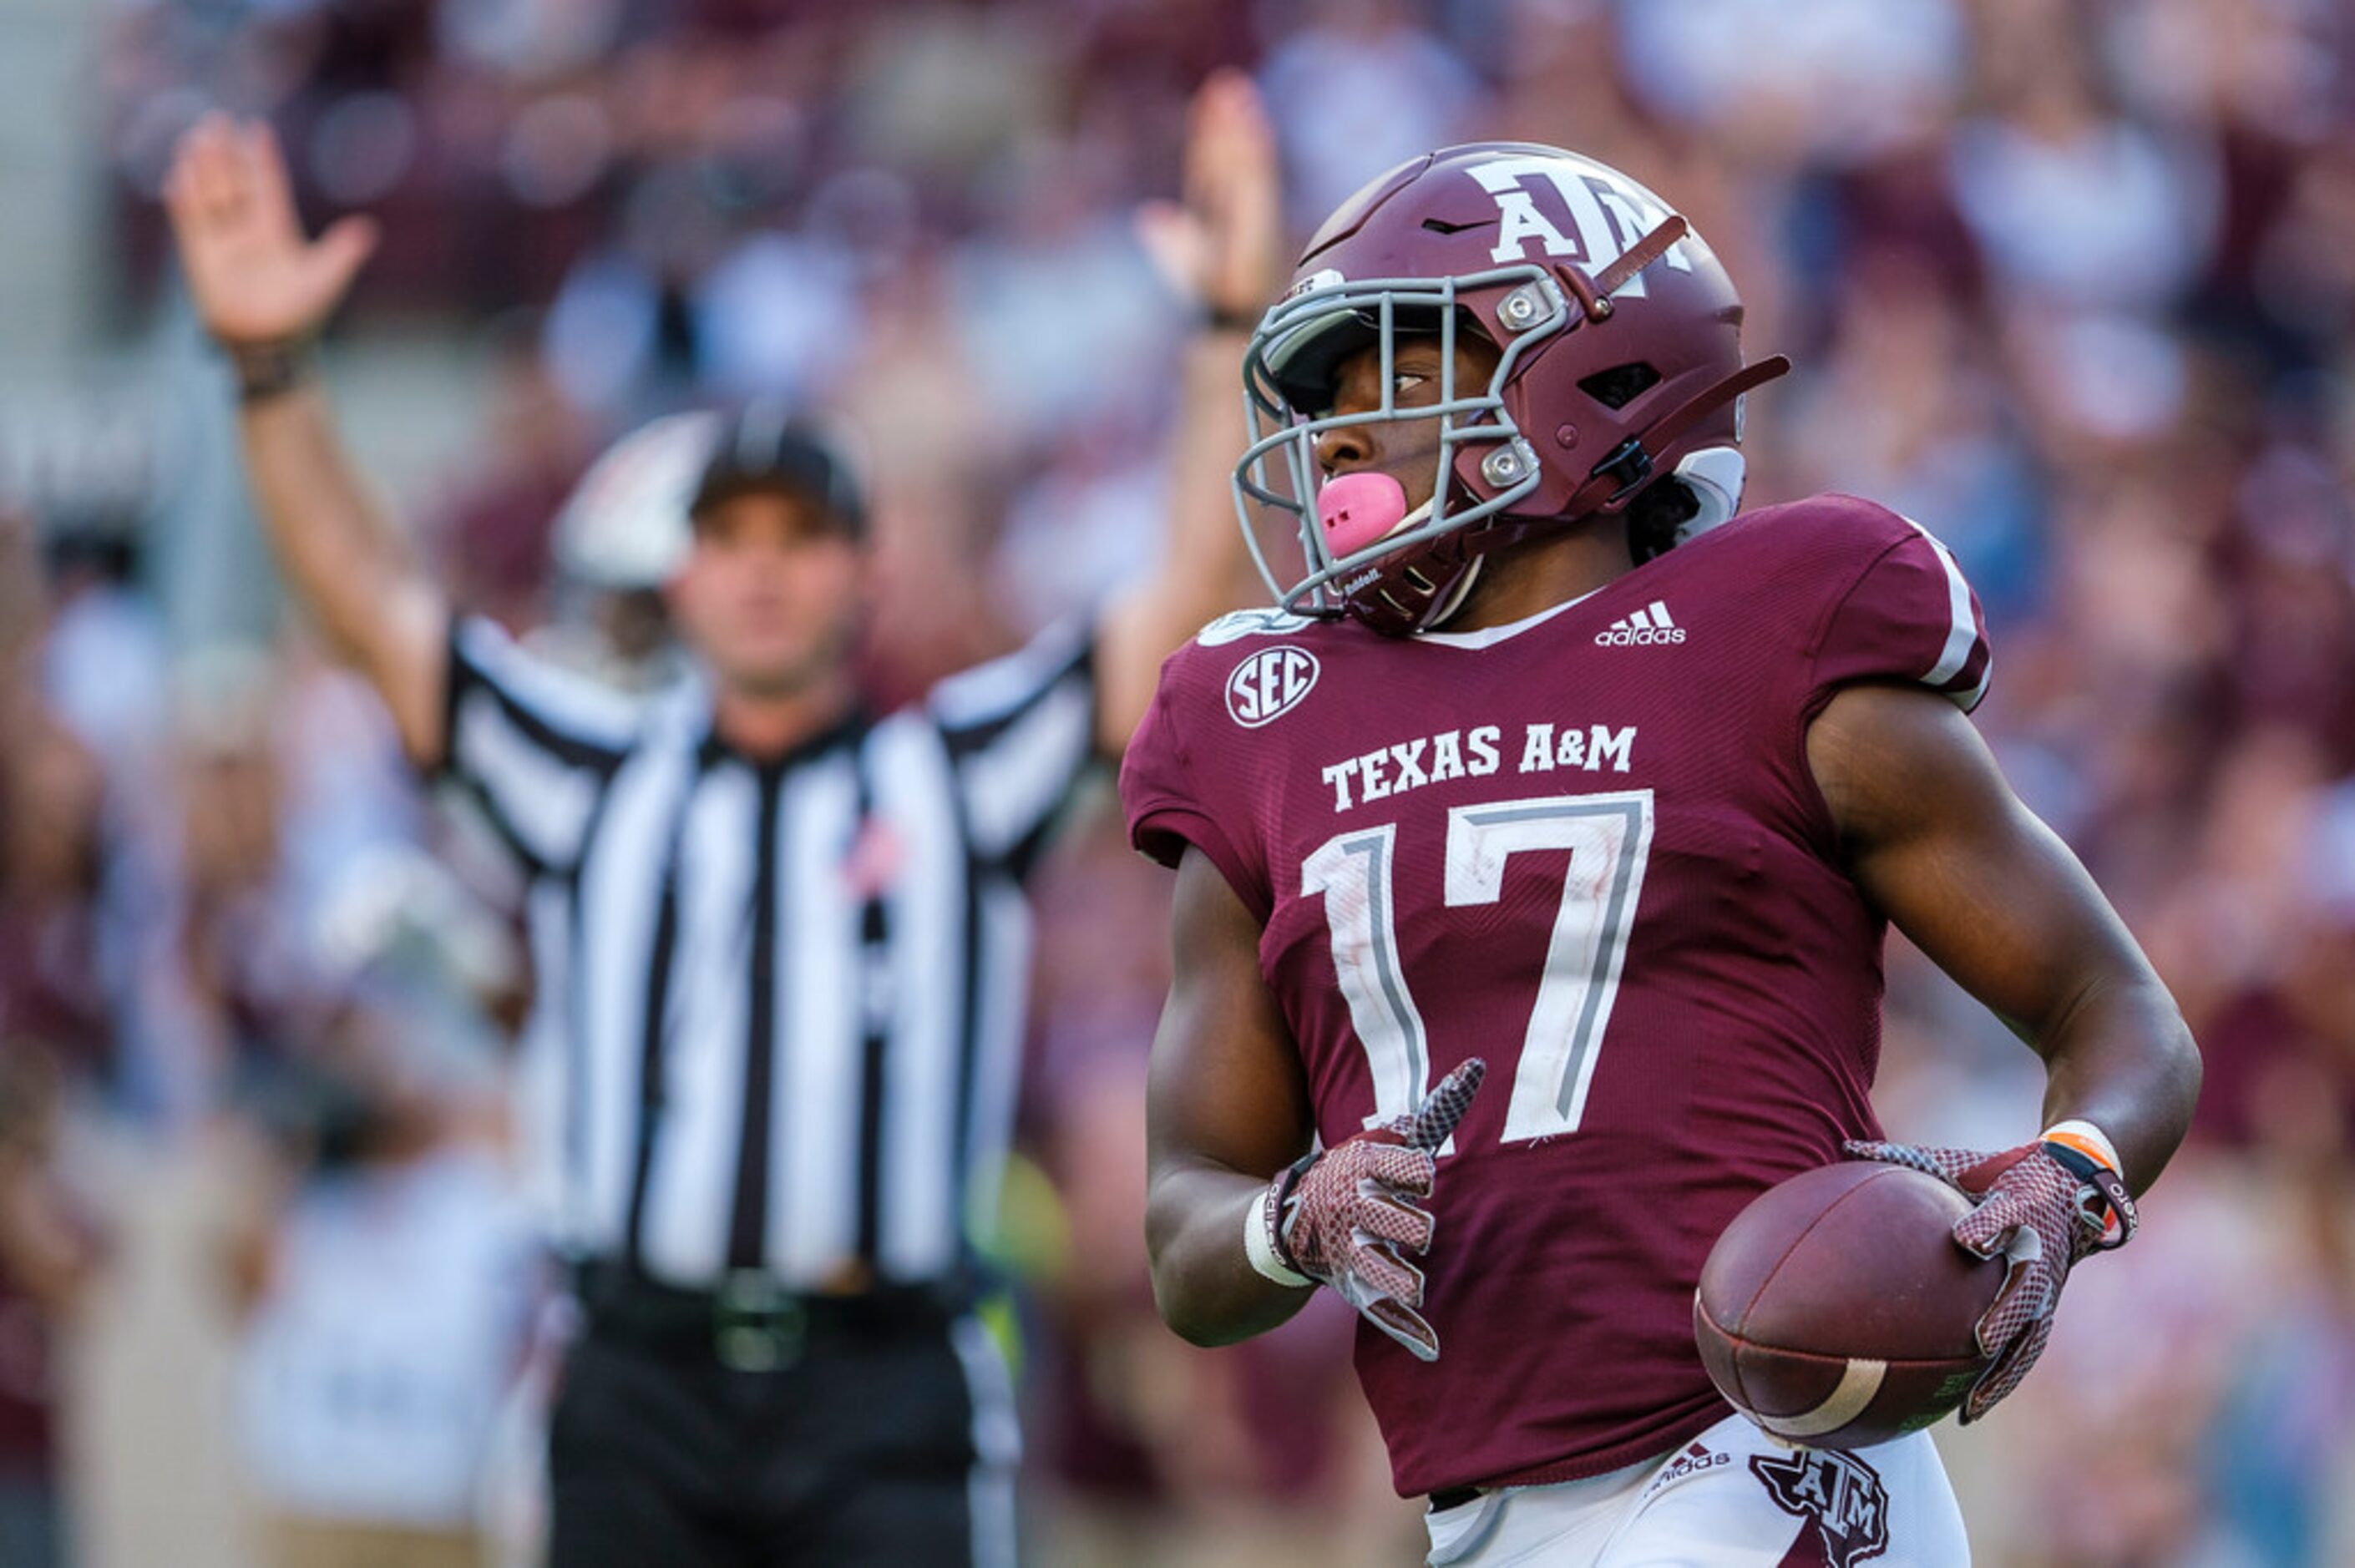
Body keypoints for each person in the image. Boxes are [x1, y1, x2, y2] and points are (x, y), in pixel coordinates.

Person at [164, 72, 1281, 1566]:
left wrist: (1224, 335)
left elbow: (1173, 615)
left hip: (883, 1372)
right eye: (730, 540)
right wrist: (267, 371)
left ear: (861, 576)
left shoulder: (957, 773)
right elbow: (373, 609)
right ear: (678, 577)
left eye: (800, 539)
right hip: (642, 1369)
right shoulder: (593, 769)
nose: (763, 573)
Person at [1121, 142, 2201, 1565]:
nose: (1334, 436)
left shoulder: (1772, 626)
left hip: (1759, 1458)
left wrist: (2067, 1178)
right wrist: (1293, 1217)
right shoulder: (1258, 712)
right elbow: (1187, 1228)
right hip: (1483, 1511)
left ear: (1591, 377)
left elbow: (2119, 1019)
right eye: (1323, 400)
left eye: (1391, 375)